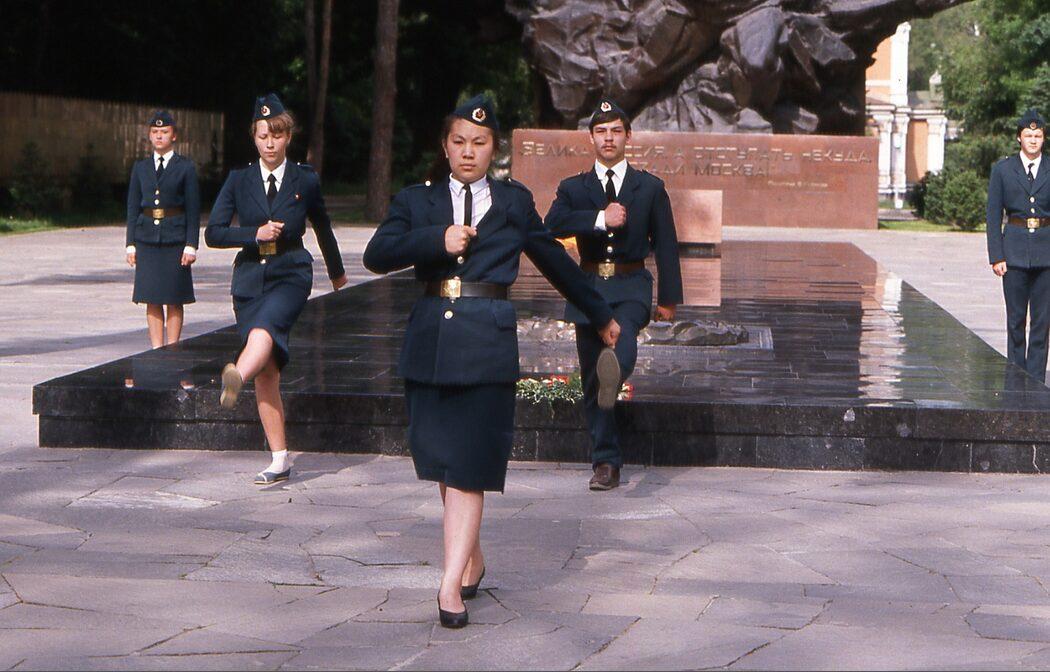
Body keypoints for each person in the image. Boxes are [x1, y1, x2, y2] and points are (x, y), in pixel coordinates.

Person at [362, 95, 620, 628]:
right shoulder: (417, 200)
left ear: (493, 149)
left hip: (487, 342)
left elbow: (555, 261)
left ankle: (449, 584)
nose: (468, 151)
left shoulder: (513, 202)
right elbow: (377, 254)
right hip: (432, 341)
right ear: (445, 146)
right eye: (459, 141)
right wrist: (436, 239)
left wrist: (600, 314)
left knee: (470, 463)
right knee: (442, 461)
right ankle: (472, 557)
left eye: (479, 143)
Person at [206, 93, 348, 485]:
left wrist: (337, 274)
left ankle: (236, 374)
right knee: (267, 371)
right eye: (263, 136)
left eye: (277, 135)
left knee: (265, 330)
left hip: (290, 273)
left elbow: (323, 227)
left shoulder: (305, 179)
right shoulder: (239, 180)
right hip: (250, 277)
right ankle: (279, 458)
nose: (270, 143)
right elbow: (213, 233)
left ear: (288, 137)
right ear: (253, 137)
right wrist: (253, 234)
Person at [545, 98, 683, 491]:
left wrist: (668, 298)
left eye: (616, 131)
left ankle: (617, 372)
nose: (608, 138)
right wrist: (598, 218)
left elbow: (667, 244)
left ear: (628, 136)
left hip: (631, 285)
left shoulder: (649, 187)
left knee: (621, 344)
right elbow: (551, 225)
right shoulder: (574, 187)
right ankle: (605, 463)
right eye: (601, 131)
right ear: (590, 138)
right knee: (593, 382)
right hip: (588, 288)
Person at [125, 110, 201, 348]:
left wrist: (191, 244)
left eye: (164, 132)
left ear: (174, 135)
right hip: (147, 238)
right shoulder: (140, 167)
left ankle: (173, 346)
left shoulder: (185, 167)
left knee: (174, 296)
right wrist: (130, 244)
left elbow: (193, 209)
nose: (159, 136)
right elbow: (133, 207)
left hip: (174, 238)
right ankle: (157, 348)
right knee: (152, 296)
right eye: (155, 132)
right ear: (149, 135)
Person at [987, 109, 1050, 382]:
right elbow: (993, 215)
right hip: (1013, 253)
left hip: (1046, 254)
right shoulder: (1003, 170)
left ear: (1043, 139)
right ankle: (1015, 377)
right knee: (1015, 321)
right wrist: (996, 255)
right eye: (1028, 135)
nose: (1033, 140)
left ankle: (1035, 381)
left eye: (1038, 136)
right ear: (1019, 138)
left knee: (1042, 323)